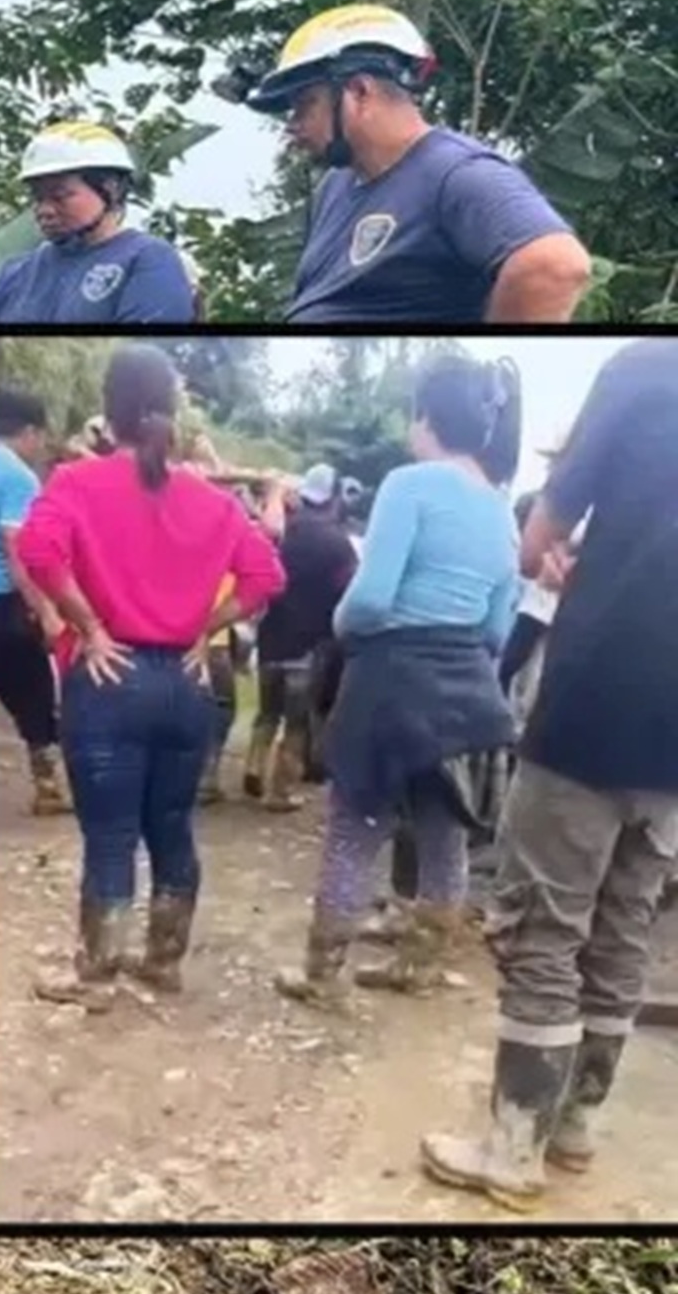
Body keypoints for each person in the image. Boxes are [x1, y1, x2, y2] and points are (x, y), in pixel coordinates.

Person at [420, 339, 678, 1207]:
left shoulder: (647, 369)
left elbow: (537, 541)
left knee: (547, 924)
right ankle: (575, 1129)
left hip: (603, 689)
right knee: (626, 919)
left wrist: (559, 559)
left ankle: (514, 1146)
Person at [17, 345, 284, 1013]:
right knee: (172, 827)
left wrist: (89, 624)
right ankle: (163, 964)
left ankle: (98, 976)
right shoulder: (213, 500)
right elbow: (266, 577)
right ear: (169, 409)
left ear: (111, 409)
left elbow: (37, 549)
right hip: (187, 686)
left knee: (110, 836)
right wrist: (203, 626)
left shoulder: (78, 482)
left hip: (108, 677)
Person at [274, 356, 523, 1013]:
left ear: (426, 417)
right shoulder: (502, 511)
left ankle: (324, 977)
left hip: (391, 684)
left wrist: (342, 624)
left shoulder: (409, 486)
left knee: (355, 829)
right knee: (446, 841)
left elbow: (370, 599)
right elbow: (498, 627)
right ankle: (421, 968)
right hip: (470, 695)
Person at [238, 4, 592, 323]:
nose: (292, 125)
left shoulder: (458, 173)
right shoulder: (336, 185)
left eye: (305, 104)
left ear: (360, 91)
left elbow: (555, 266)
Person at [0, 122, 197, 380]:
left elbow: (144, 360)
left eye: (60, 196)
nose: (44, 210)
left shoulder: (146, 259)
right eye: (38, 198)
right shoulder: (12, 274)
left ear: (111, 189)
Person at [244, 465, 359, 813]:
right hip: (307, 648)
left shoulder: (282, 530)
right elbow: (351, 593)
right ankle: (279, 791)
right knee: (296, 723)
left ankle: (253, 766)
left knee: (266, 713)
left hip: (270, 640)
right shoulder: (338, 544)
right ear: (334, 498)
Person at [0, 386, 71, 816]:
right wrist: (47, 611)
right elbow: (19, 552)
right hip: (5, 604)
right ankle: (48, 787)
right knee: (35, 694)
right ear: (31, 431)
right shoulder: (17, 476)